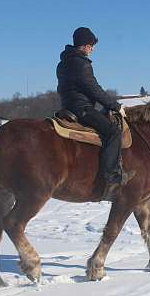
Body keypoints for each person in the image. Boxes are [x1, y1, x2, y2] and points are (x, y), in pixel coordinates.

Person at [56, 27, 133, 200]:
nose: (93, 49)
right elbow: (93, 90)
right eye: (91, 45)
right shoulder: (81, 63)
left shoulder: (64, 62)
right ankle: (112, 175)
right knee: (113, 131)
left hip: (69, 105)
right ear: (83, 45)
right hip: (82, 108)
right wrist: (115, 106)